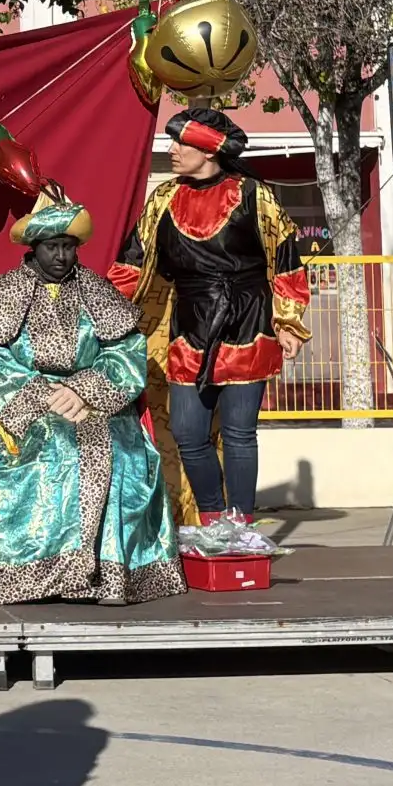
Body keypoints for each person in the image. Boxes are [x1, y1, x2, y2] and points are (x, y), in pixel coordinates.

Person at [0, 183, 186, 606]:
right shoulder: (4, 292)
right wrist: (41, 392)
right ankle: (44, 574)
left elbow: (126, 351)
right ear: (34, 247)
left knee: (118, 450)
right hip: (30, 403)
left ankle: (107, 575)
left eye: (69, 247)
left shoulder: (97, 290)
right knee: (54, 445)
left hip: (96, 402)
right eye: (52, 247)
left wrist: (84, 390)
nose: (61, 256)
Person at [110, 108, 309, 522]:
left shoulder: (254, 195)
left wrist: (288, 322)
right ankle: (213, 519)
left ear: (209, 151)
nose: (172, 150)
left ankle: (240, 525)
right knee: (187, 433)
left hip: (248, 321)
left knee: (239, 434)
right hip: (189, 324)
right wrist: (101, 313)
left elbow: (286, 258)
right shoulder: (163, 199)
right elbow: (132, 262)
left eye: (181, 143)